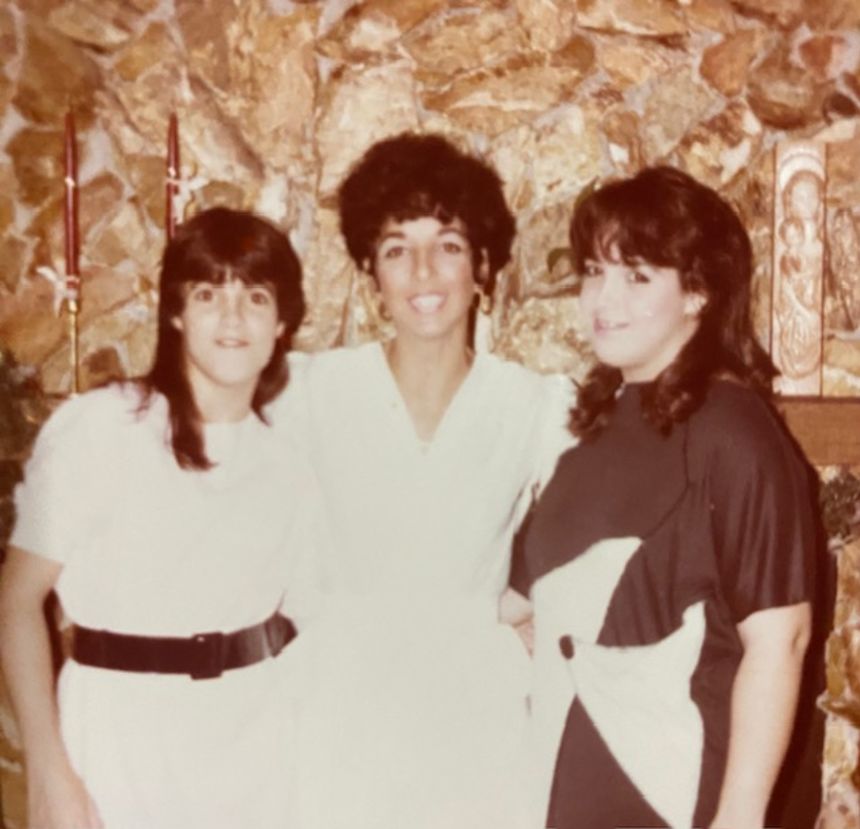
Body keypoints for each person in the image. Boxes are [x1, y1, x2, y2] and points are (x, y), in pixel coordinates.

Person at [275, 132, 572, 829]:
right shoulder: (313, 391)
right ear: (370, 275)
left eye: (448, 244)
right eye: (396, 249)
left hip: (474, 716)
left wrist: (524, 612)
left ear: (482, 266)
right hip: (340, 714)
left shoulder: (531, 404)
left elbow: (594, 530)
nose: (423, 272)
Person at [517, 166, 817, 828]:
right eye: (594, 272)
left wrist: (739, 818)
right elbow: (523, 592)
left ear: (697, 292)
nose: (604, 299)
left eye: (637, 276)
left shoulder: (731, 430)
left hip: (671, 795)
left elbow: (782, 640)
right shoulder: (590, 427)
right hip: (563, 786)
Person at [0, 207, 310, 829]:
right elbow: (17, 600)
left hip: (254, 750)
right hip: (117, 743)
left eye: (255, 297)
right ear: (176, 314)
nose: (232, 318)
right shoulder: (102, 428)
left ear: (282, 322)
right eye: (207, 294)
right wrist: (49, 772)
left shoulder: (290, 450)